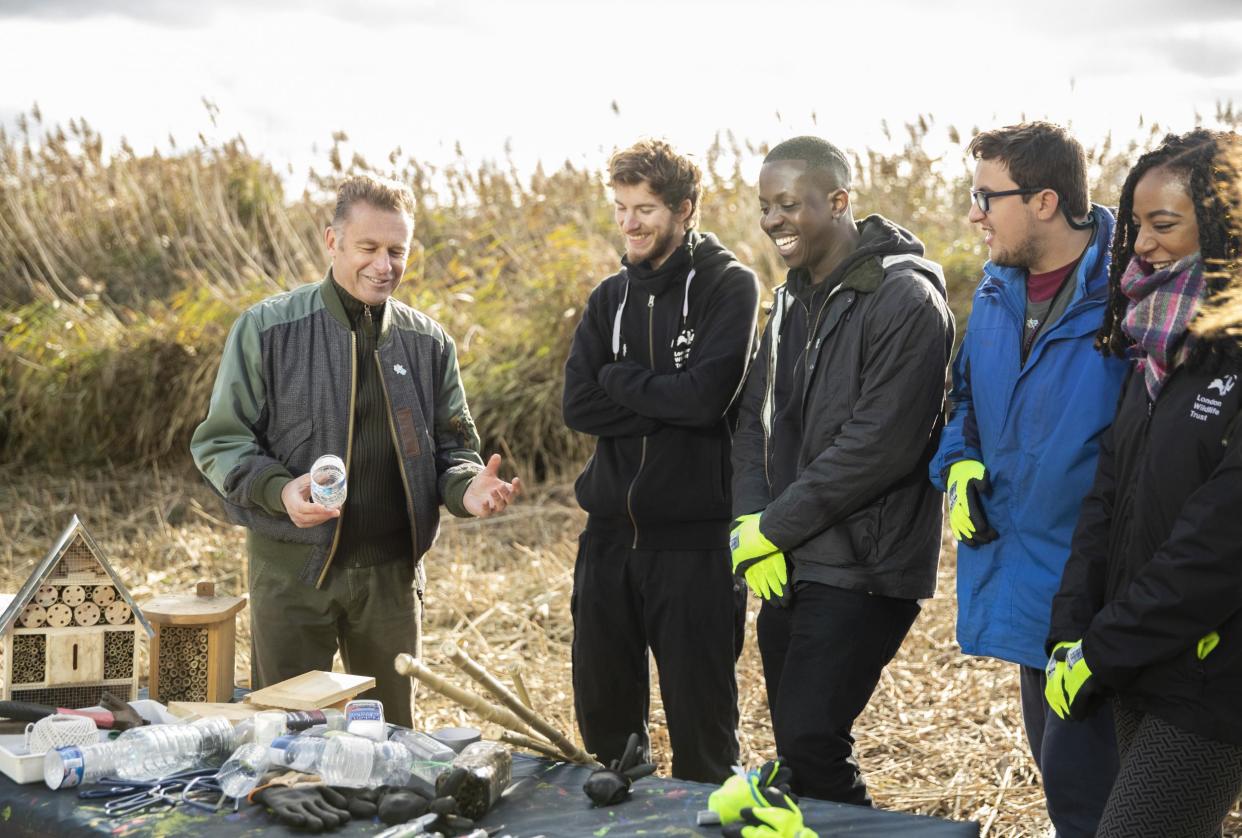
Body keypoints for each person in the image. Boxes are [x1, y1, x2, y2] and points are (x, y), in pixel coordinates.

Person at [191, 174, 520, 728]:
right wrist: (280, 489)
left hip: (392, 581)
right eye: (368, 248)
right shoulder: (267, 328)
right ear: (332, 241)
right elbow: (221, 441)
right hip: (293, 577)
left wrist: (470, 488)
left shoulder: (429, 342)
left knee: (390, 742)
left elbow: (453, 451)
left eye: (397, 251)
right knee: (288, 740)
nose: (383, 265)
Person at [730, 135, 954, 804]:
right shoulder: (786, 303)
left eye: (788, 204)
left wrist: (773, 524)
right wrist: (751, 519)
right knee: (801, 752)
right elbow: (752, 420)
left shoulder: (906, 300)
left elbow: (878, 446)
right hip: (789, 554)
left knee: (812, 742)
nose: (773, 221)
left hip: (864, 566)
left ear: (838, 200)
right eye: (765, 206)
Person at [927, 121, 1128, 835]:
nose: (973, 213)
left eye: (987, 196)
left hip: (1096, 602)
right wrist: (960, 464)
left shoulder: (1130, 299)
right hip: (1022, 590)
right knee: (1062, 777)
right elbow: (964, 399)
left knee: (1096, 803)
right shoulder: (993, 290)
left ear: (1045, 201)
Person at [1047, 129, 1242, 838]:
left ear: (1223, 229)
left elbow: (1217, 546)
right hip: (1133, 658)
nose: (1142, 245)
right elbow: (1107, 497)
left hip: (1210, 677)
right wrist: (1072, 630)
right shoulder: (1156, 348)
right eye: (1137, 225)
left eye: (1165, 225)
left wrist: (1105, 646)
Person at [562, 138, 760, 782]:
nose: (629, 223)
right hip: (608, 541)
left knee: (704, 739)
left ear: (686, 208)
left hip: (695, 546)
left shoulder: (729, 286)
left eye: (644, 208)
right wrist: (665, 398)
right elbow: (578, 406)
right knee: (607, 738)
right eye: (620, 207)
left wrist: (619, 379)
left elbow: (706, 399)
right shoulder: (606, 298)